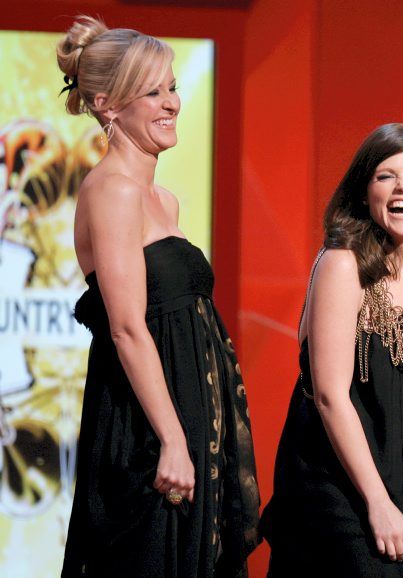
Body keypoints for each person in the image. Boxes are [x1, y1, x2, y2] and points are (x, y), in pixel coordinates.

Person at [57, 16, 260, 577]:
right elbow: (127, 327)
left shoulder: (162, 200)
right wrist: (172, 440)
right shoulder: (112, 191)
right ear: (107, 106)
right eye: (153, 92)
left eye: (171, 87)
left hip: (191, 418)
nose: (172, 102)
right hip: (148, 430)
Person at [260, 123, 403, 576]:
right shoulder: (342, 264)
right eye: (386, 176)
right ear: (365, 191)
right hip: (340, 480)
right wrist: (377, 501)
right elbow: (329, 396)